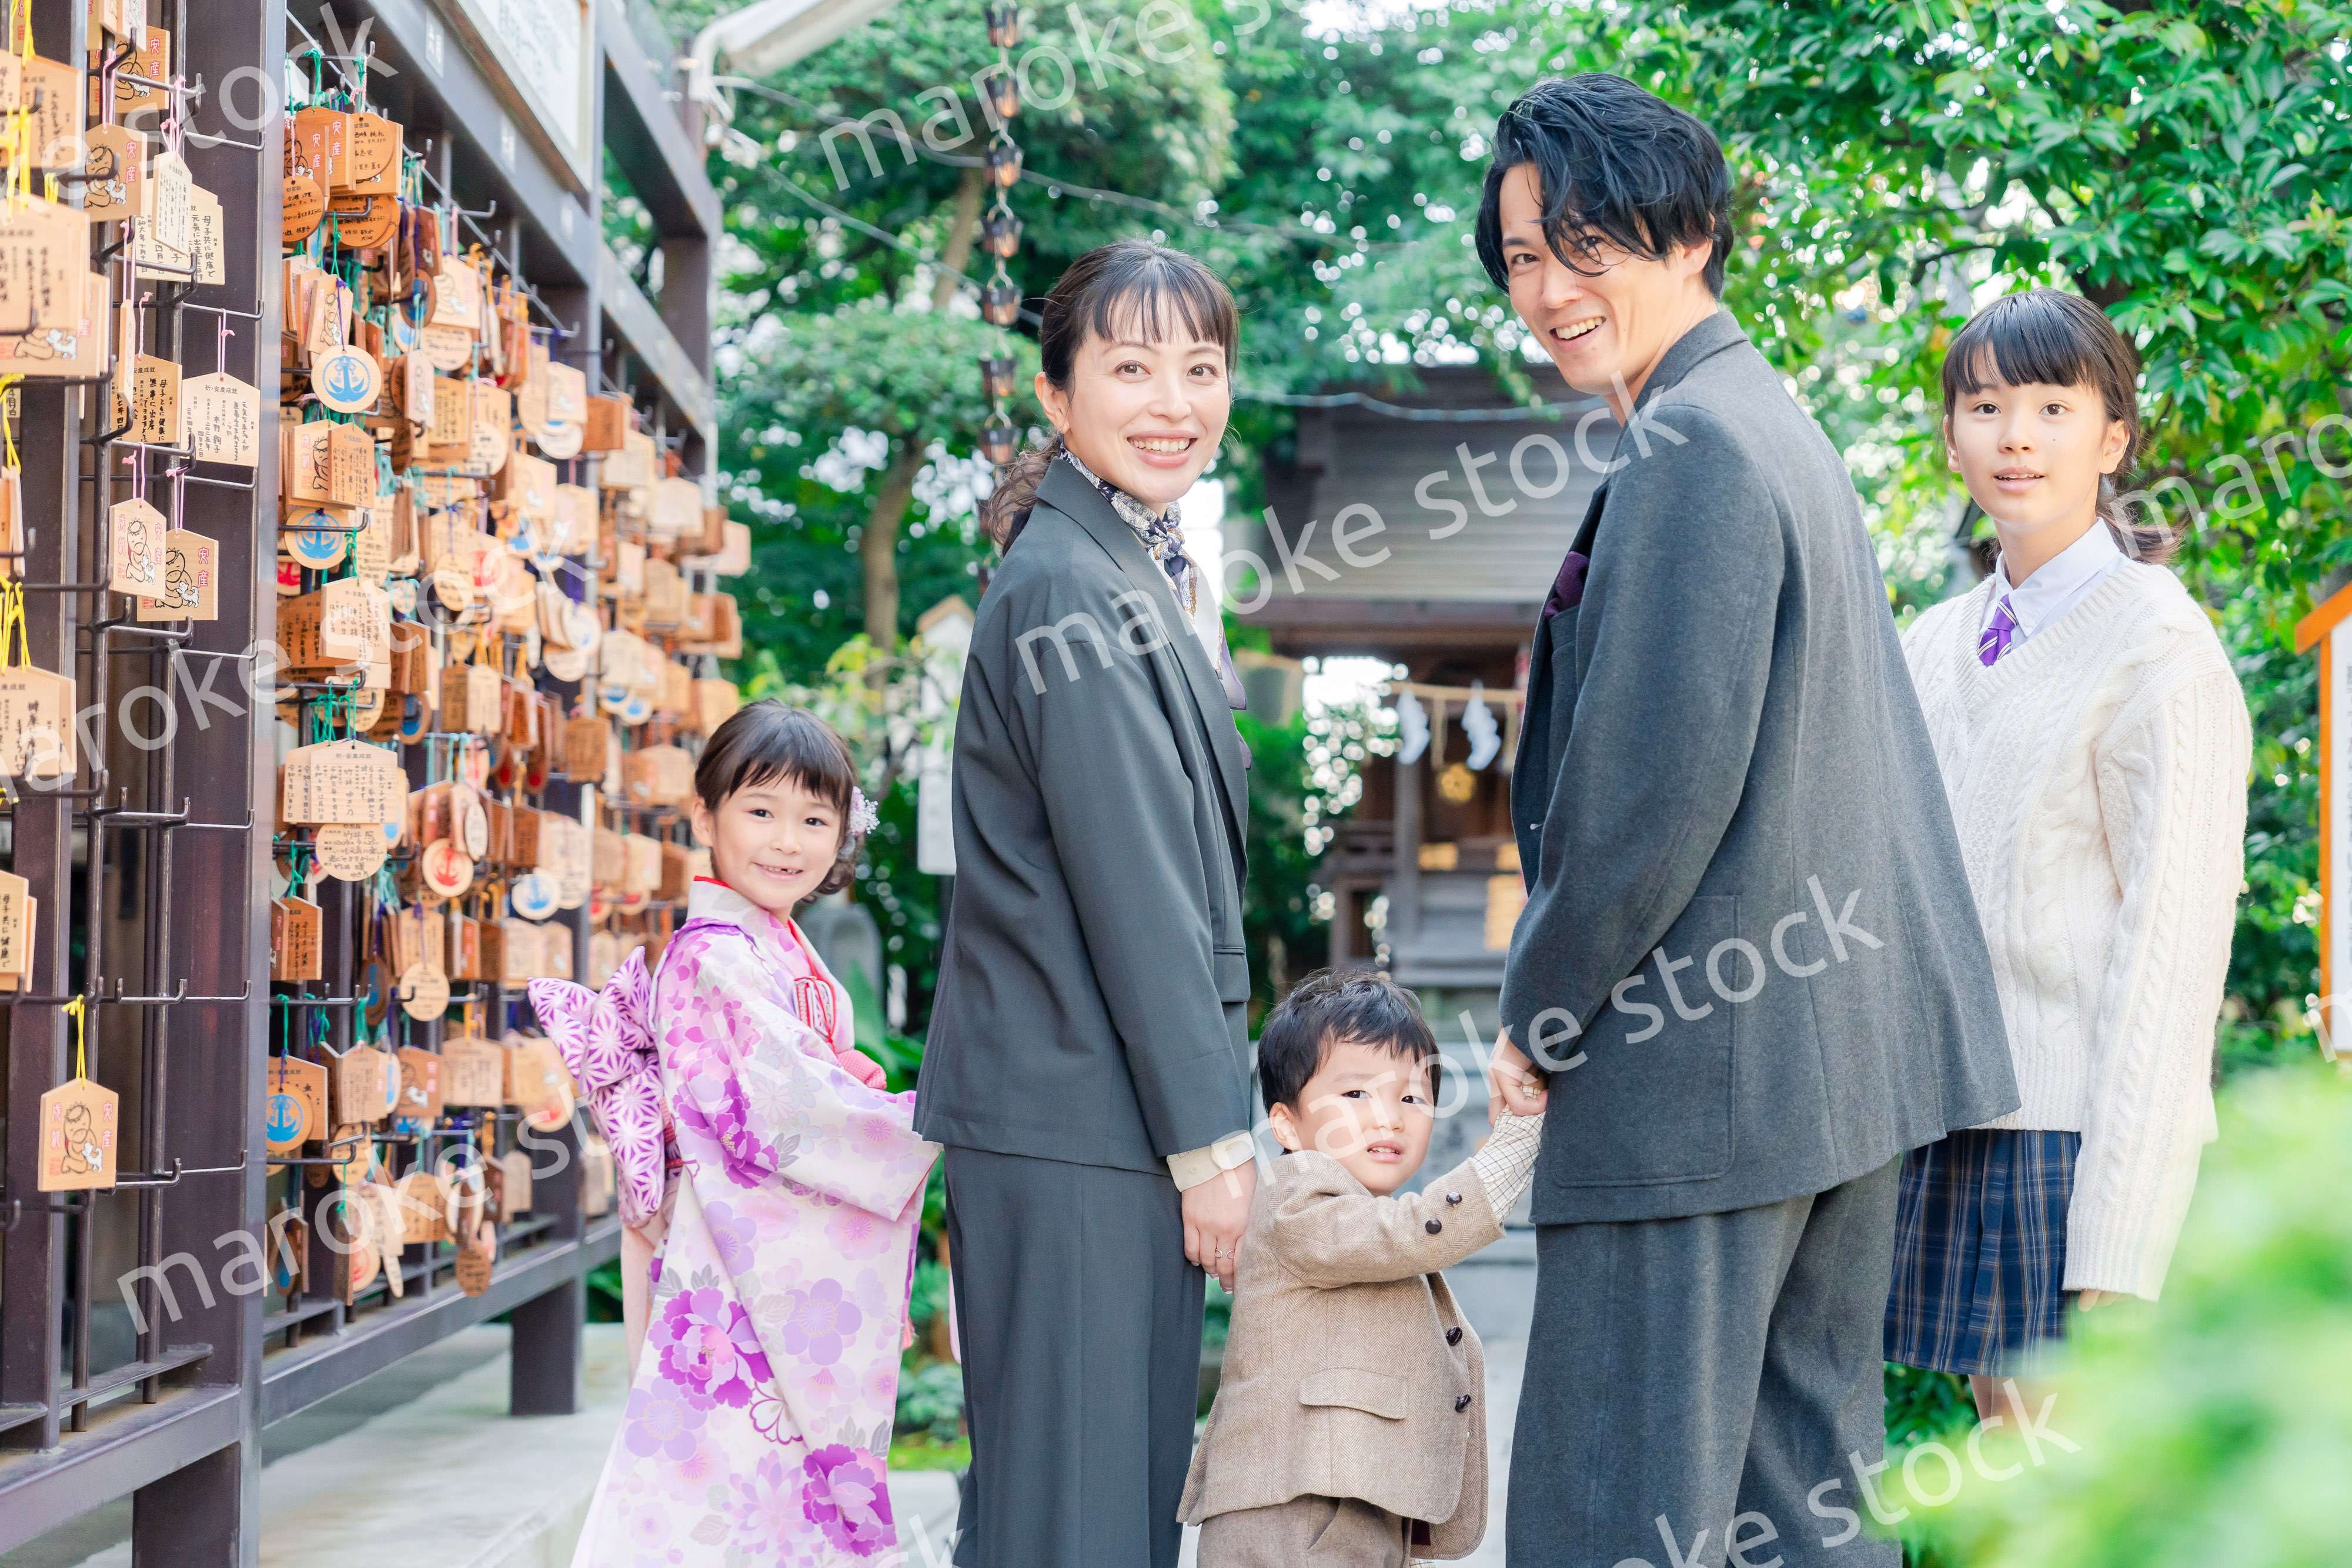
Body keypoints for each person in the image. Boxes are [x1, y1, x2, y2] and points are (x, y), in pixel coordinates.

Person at [1473, 75, 2021, 1566]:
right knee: (1797, 1505)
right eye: (1522, 256)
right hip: (1826, 1080)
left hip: (1700, 1091)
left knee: (1614, 1513)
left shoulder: (1692, 447)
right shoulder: (1760, 418)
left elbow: (1650, 797)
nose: (1549, 289)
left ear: (1692, 232)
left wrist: (1538, 1016)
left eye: (1584, 242)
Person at [914, 238, 1255, 1568]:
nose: (1174, 400)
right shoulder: (1070, 581)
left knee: (1077, 1500)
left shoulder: (1123, 566)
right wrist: (1210, 1146)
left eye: (1201, 366)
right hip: (1079, 1121)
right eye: (1130, 367)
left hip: (1081, 1118)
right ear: (1057, 396)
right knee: (1078, 1511)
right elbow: (1136, 891)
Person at [1885, 289, 2251, 1420]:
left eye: (2054, 405)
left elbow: (2172, 956)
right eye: (1986, 406)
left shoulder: (2159, 644)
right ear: (1950, 436)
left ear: (2115, 436)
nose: (2018, 437)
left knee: (2074, 1488)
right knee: (2009, 1475)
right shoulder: (1931, 642)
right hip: (1946, 1121)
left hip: (2074, 1140)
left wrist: (2122, 1231)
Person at [531, 701, 935, 1566]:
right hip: (730, 1258)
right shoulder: (715, 953)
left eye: (815, 818)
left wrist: (853, 1081)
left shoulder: (771, 941)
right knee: (730, 1490)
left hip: (752, 1254)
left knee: (751, 1491)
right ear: (706, 814)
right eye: (761, 810)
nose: (788, 839)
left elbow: (807, 1076)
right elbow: (779, 1111)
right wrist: (921, 1119)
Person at [1182, 970, 1543, 1566]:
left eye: (1412, 1096)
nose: (1389, 1116)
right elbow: (1404, 1235)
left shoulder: (1357, 1214)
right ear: (1285, 1125)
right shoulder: (1295, 1198)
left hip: (1352, 1503)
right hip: (1294, 1511)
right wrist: (1515, 1144)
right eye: (1356, 1094)